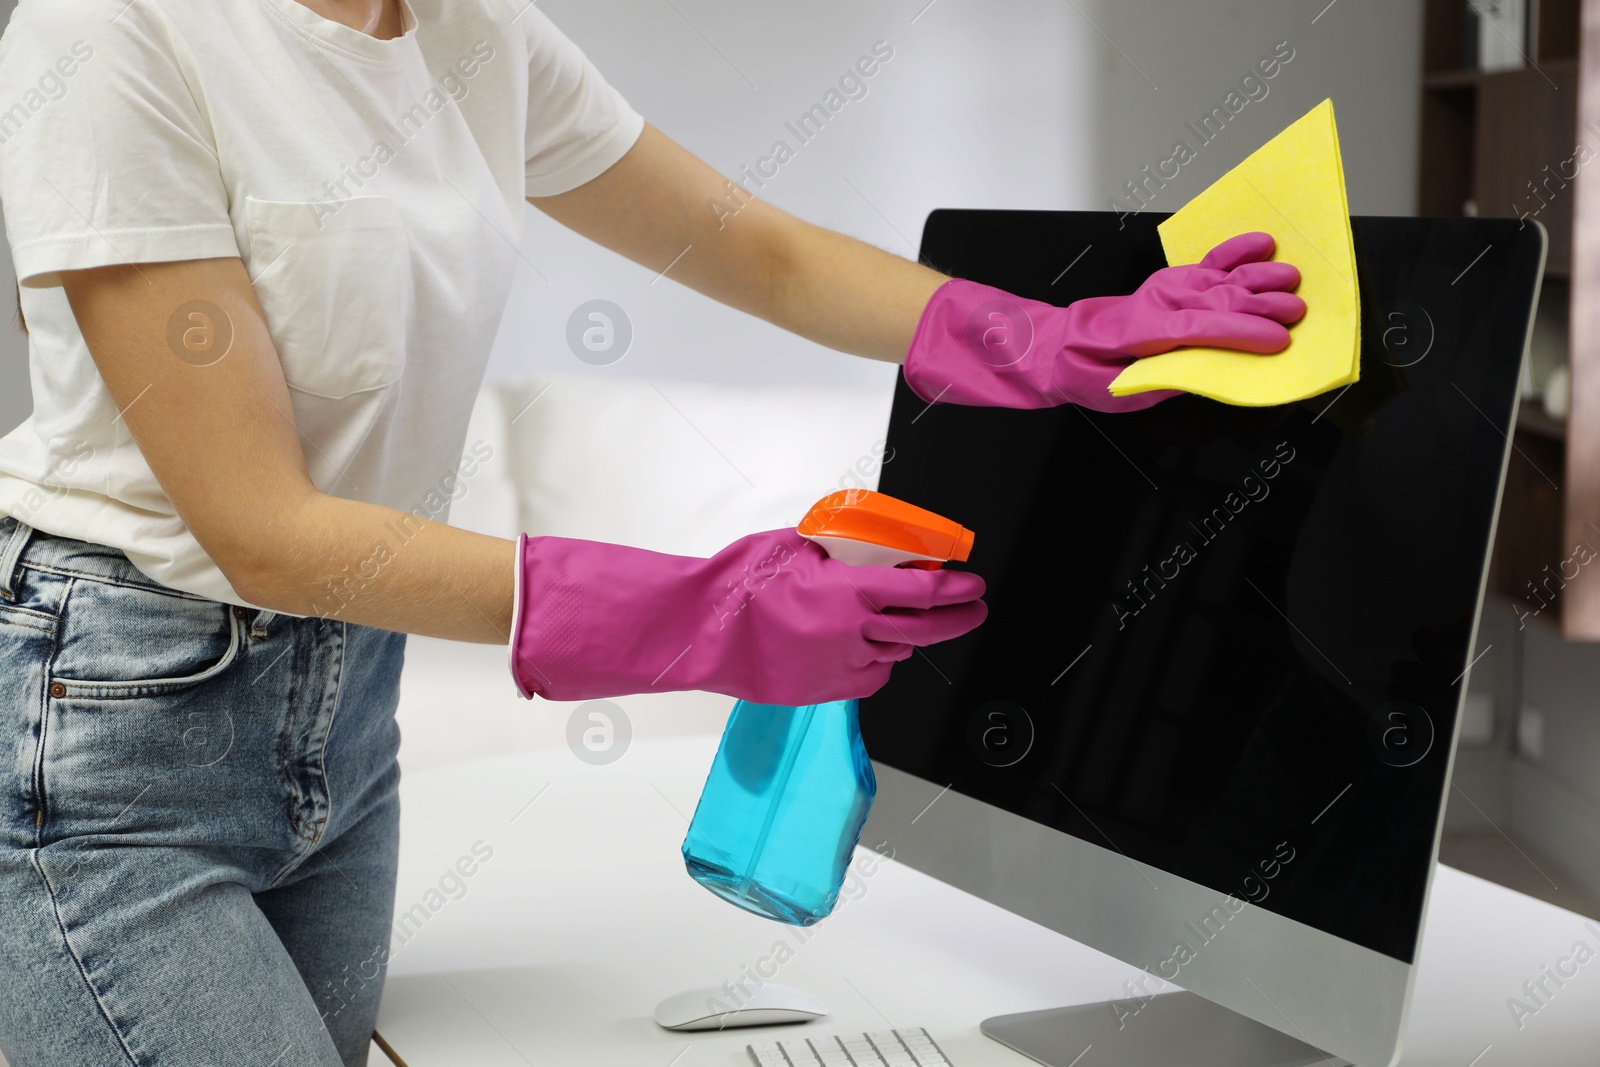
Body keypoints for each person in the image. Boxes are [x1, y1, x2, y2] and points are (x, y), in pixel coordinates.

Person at [0, 0, 1305, 1063]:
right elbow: (264, 532)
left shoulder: (474, 32)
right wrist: (714, 614)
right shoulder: (113, 31)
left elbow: (764, 255)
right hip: (124, 721)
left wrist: (1044, 334)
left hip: (345, 716)